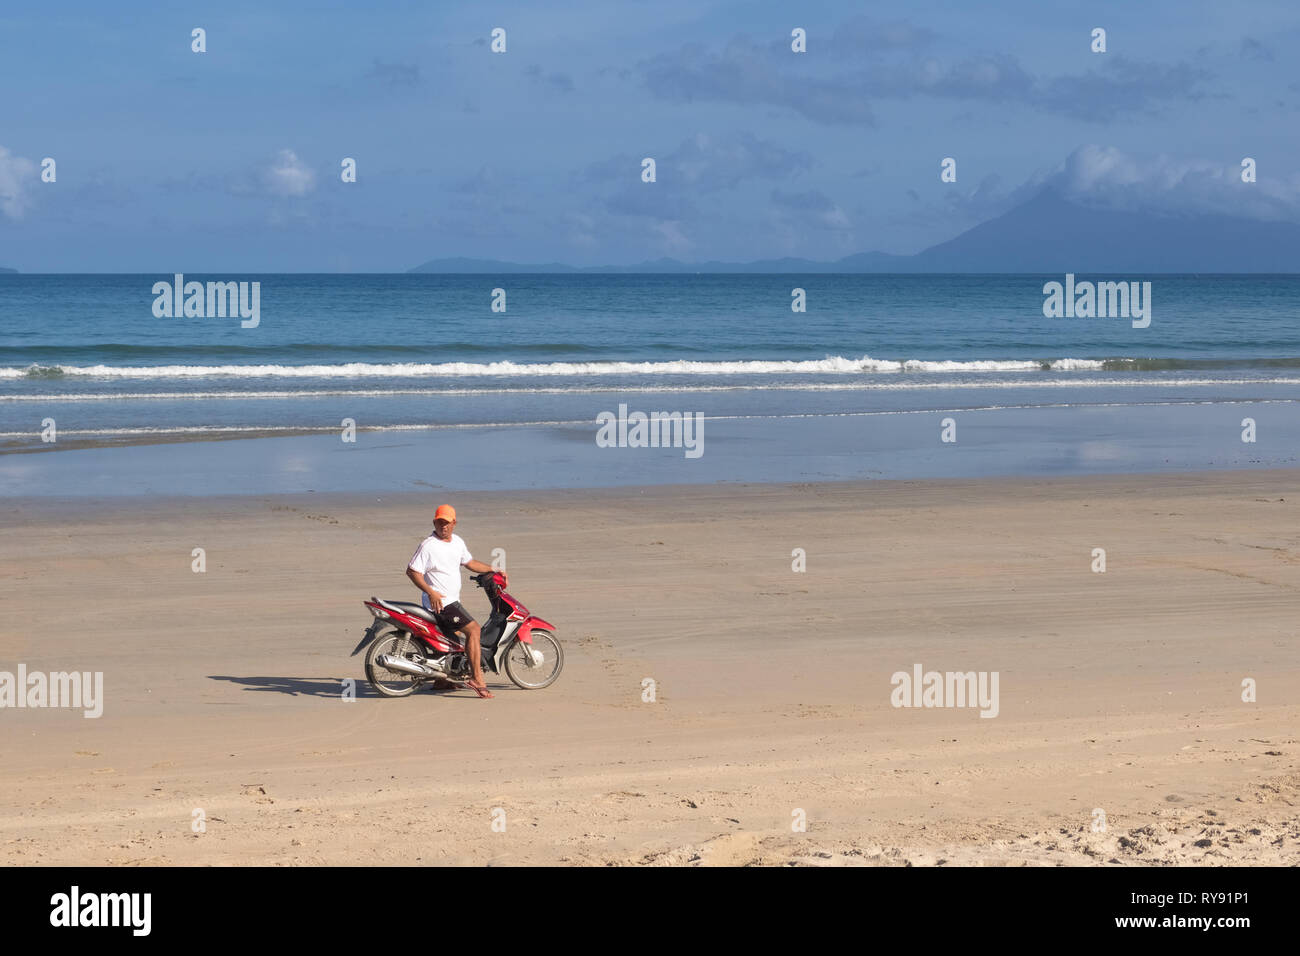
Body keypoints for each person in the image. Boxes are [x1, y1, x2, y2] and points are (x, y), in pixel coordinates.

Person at [405, 504, 506, 699]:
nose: (443, 526)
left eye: (447, 522)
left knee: (453, 639)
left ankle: (442, 680)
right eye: (440, 522)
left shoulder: (457, 542)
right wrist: (431, 592)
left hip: (452, 601)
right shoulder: (428, 546)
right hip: (442, 603)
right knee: (474, 630)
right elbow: (412, 571)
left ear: (454, 523)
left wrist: (493, 569)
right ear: (434, 522)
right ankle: (477, 678)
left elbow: (470, 563)